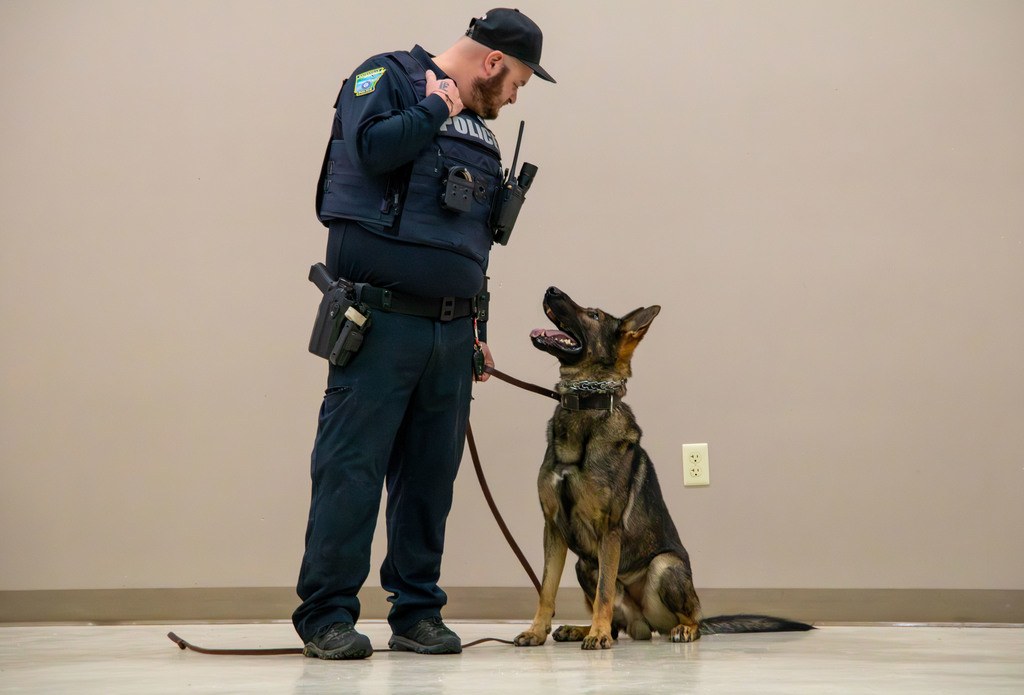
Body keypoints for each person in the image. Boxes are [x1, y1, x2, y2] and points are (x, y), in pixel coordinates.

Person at [293, 8, 555, 660]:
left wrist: (478, 327)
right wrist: (437, 107)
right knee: (351, 470)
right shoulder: (386, 78)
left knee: (430, 479)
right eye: (517, 81)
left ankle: (416, 612)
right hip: (379, 322)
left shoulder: (481, 136)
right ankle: (326, 616)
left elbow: (471, 241)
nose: (515, 97)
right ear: (492, 62)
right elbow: (372, 150)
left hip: (452, 332)